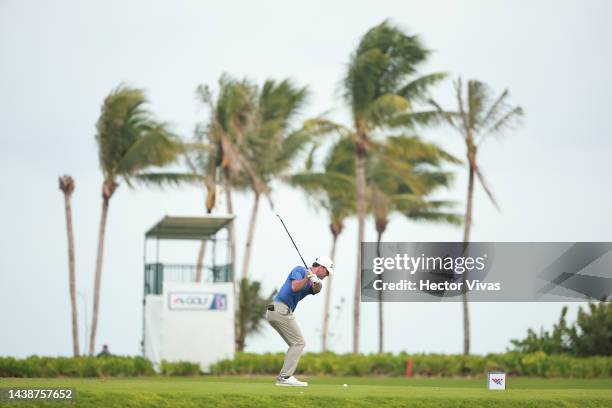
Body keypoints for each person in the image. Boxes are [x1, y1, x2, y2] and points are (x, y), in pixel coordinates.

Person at [266, 255, 335, 386]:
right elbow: (294, 287)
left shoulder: (313, 280)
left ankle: (284, 377)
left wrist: (316, 282)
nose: (327, 275)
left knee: (295, 343)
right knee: (299, 342)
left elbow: (317, 289)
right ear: (321, 267)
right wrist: (307, 278)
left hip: (276, 311)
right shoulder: (299, 270)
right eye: (327, 272)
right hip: (279, 308)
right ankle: (285, 377)